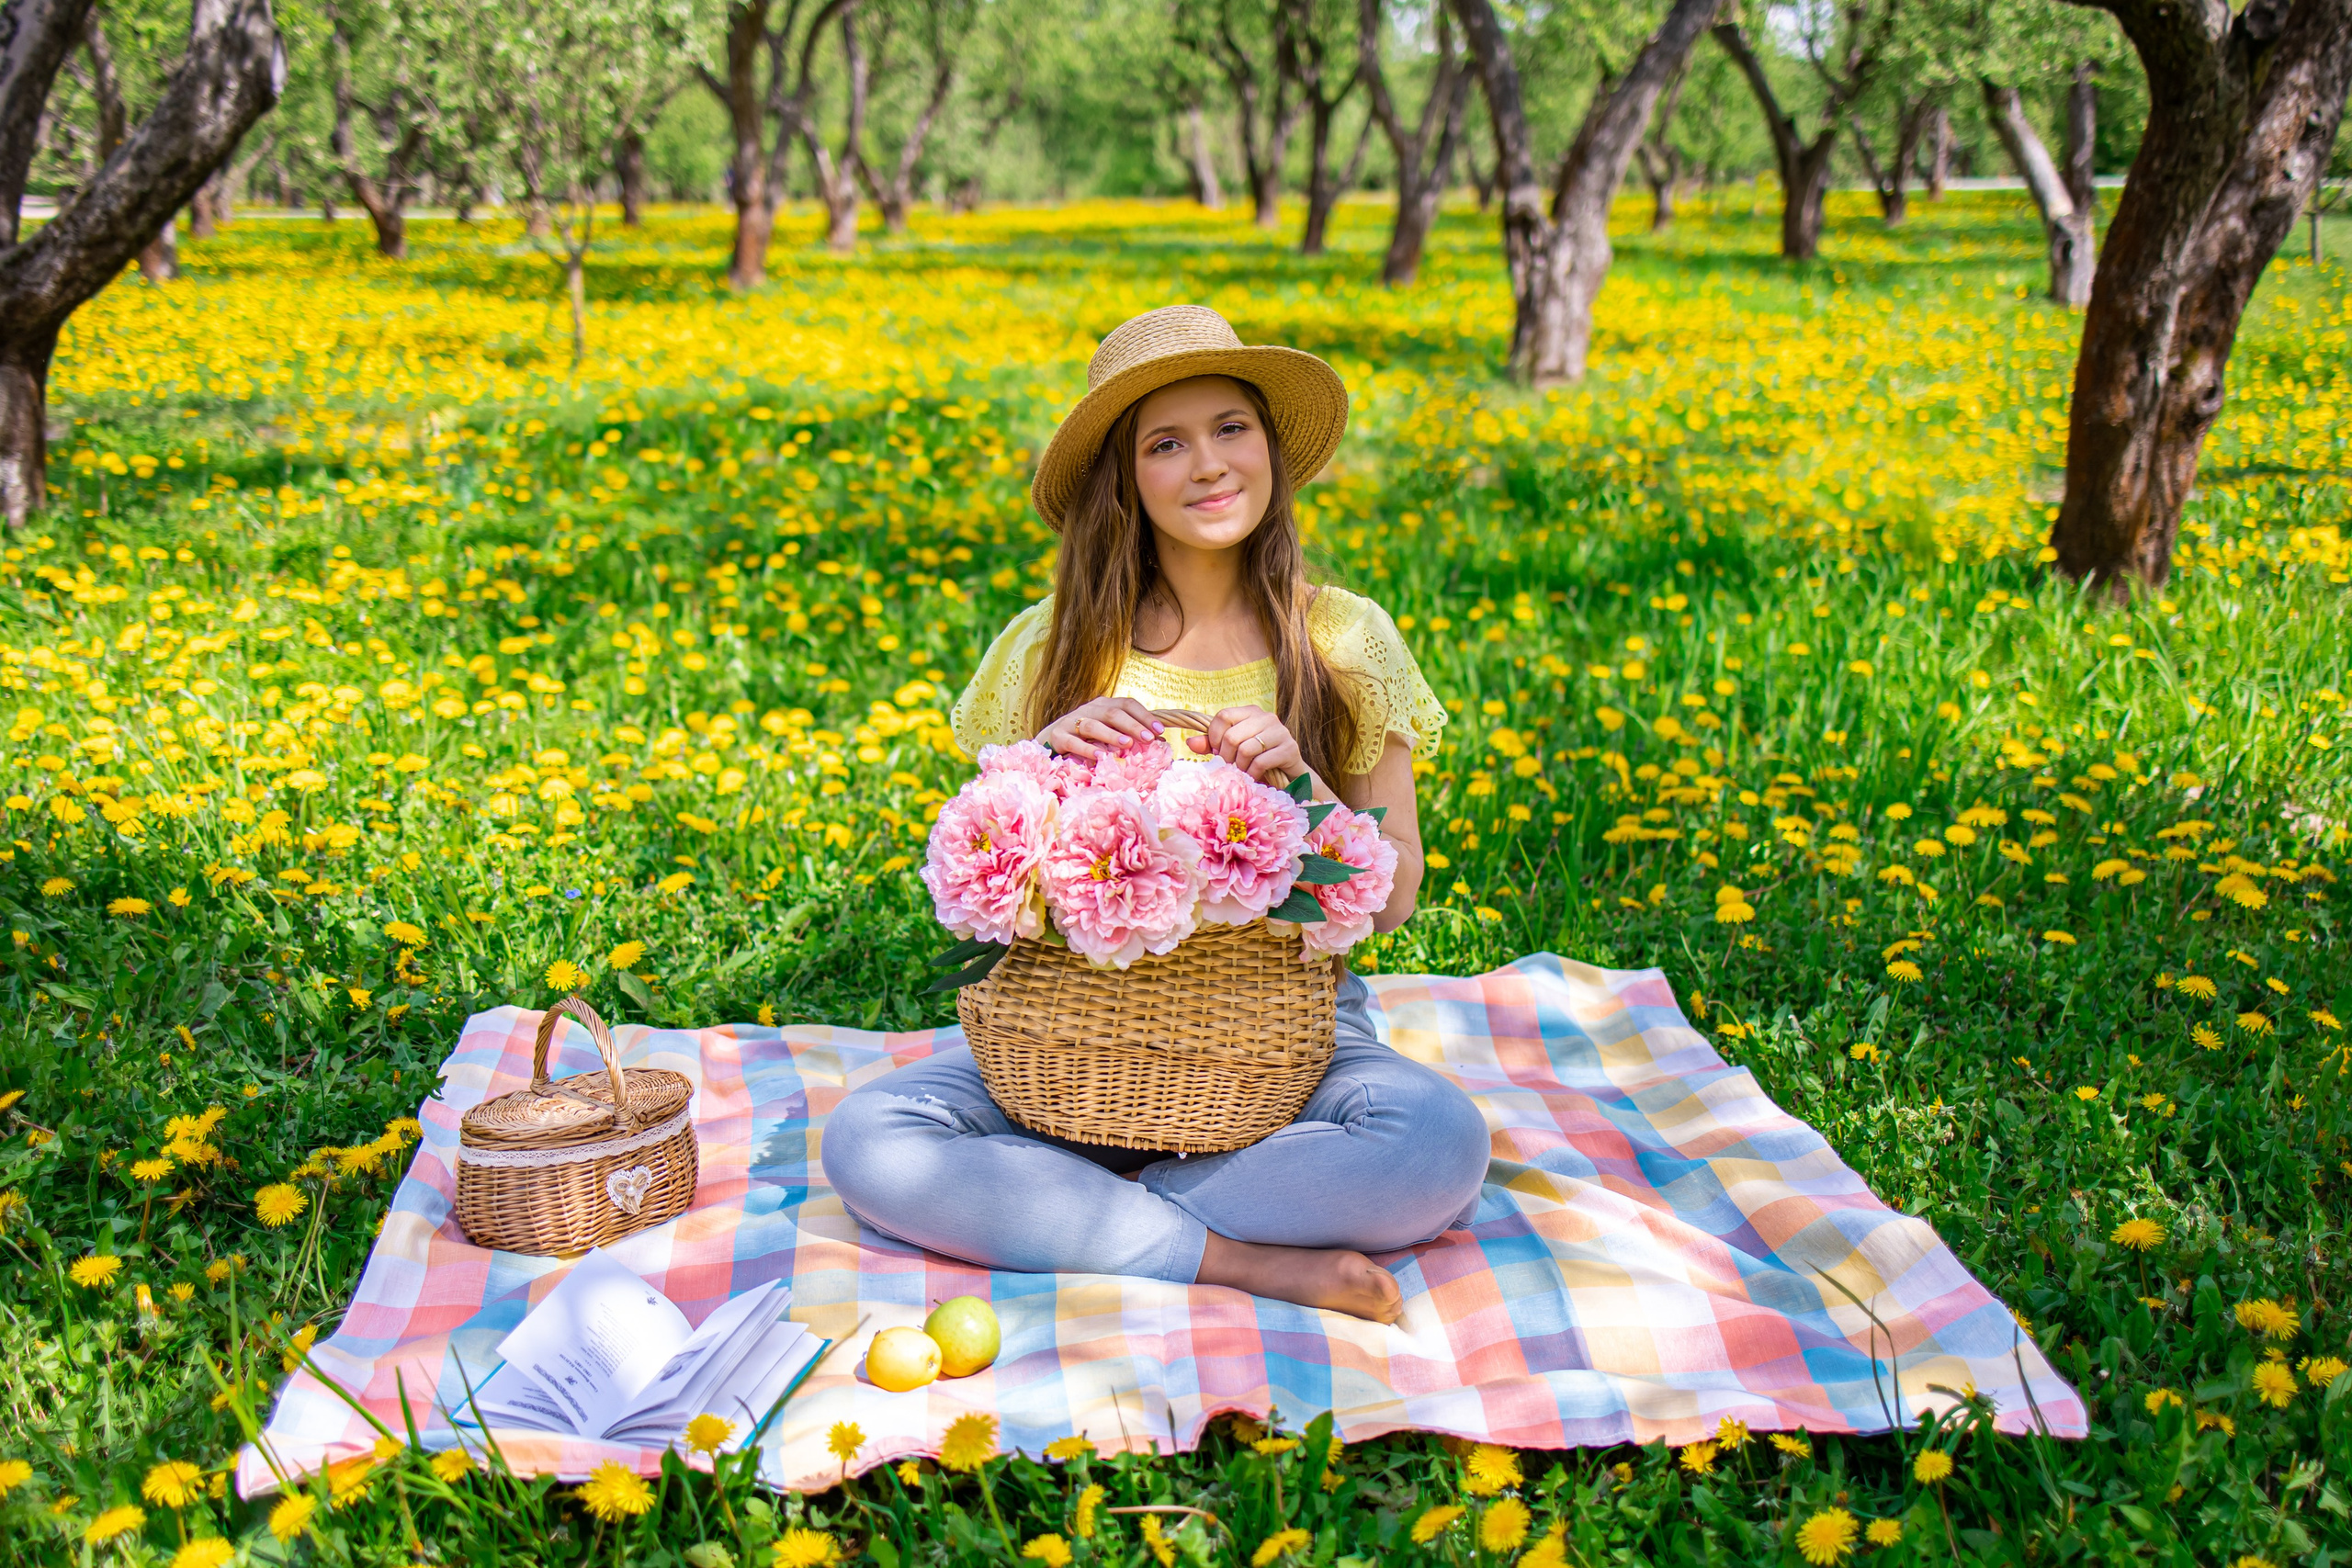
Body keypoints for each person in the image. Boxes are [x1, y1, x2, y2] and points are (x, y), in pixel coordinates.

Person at [823, 306, 1489, 1323]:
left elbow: (1395, 897)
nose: (1208, 465)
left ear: (1269, 445)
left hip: (1290, 1035)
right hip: (1071, 1040)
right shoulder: (1051, 644)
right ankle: (1239, 1257)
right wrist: (1038, 765)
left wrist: (1305, 792)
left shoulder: (1345, 638)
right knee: (867, 1142)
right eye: (1164, 443)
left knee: (1438, 1147)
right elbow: (977, 880)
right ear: (1125, 478)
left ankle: (1064, 1216)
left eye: (1230, 427)